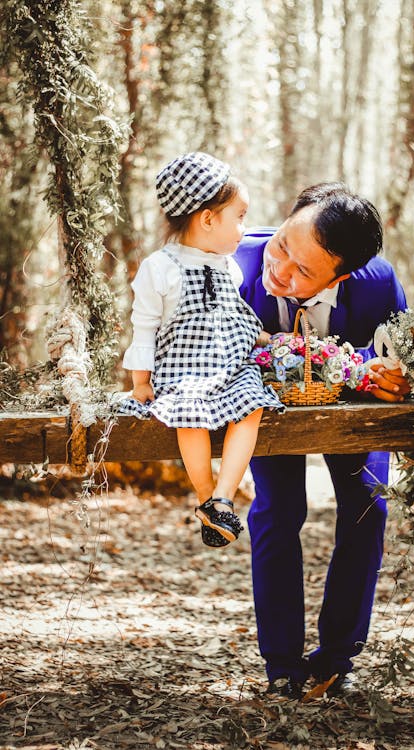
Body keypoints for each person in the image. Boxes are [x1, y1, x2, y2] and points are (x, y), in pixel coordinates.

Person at [233, 182, 410, 699]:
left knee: (368, 509)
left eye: (304, 270)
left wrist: (397, 375)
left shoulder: (378, 283)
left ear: (343, 274)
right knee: (279, 510)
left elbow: (403, 362)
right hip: (266, 413)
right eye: (283, 244)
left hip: (355, 415)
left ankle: (337, 659)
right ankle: (281, 664)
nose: (280, 270)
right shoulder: (234, 266)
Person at [119, 151, 283, 547]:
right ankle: (206, 497)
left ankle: (224, 496)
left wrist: (272, 343)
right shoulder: (161, 267)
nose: (244, 230)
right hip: (184, 372)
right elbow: (144, 328)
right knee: (188, 416)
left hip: (229, 368)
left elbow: (237, 319)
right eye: (239, 217)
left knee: (252, 405)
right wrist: (142, 382)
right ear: (208, 219)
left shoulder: (230, 268)